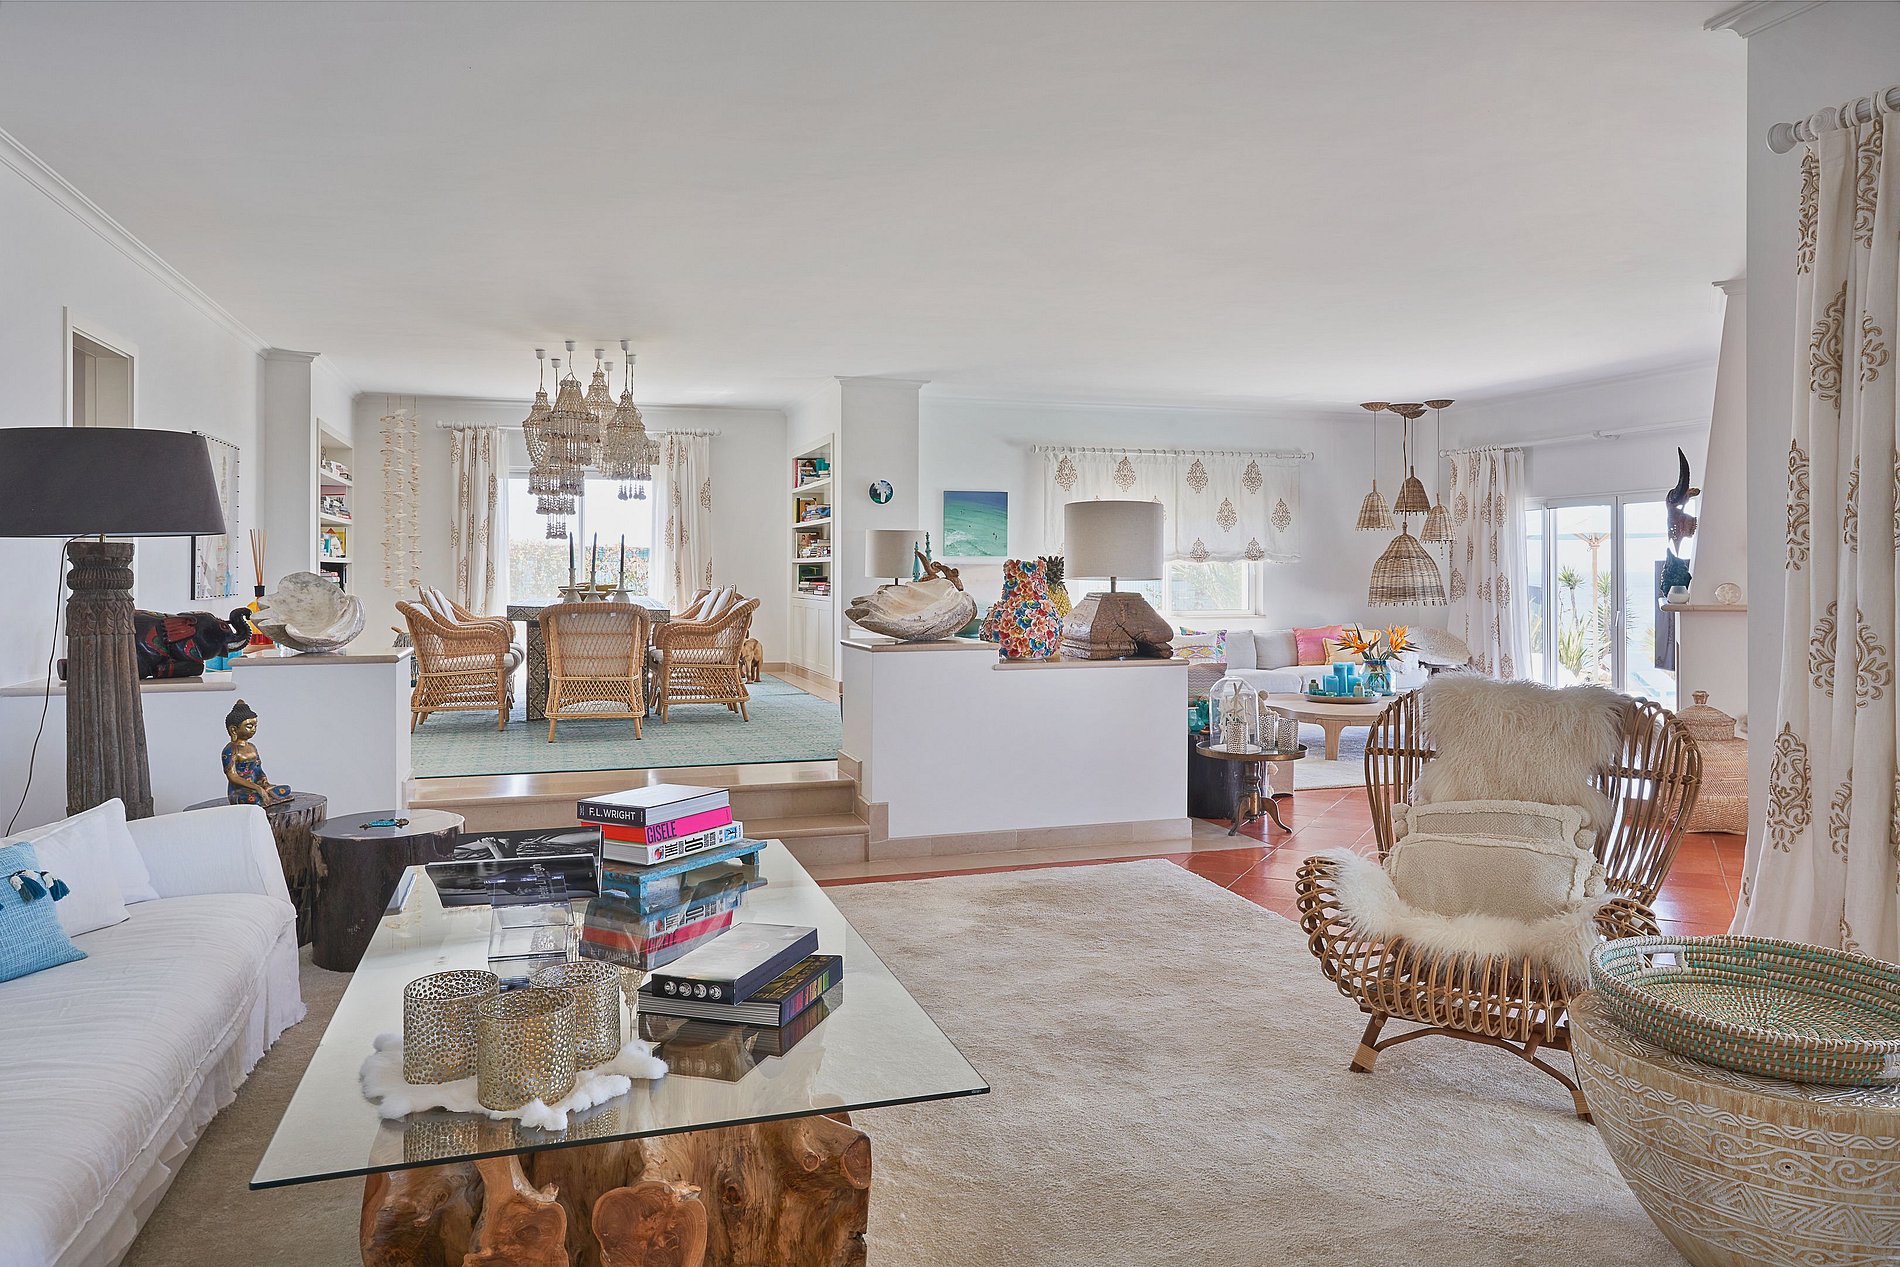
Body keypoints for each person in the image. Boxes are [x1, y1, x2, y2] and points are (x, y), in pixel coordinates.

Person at [222, 698, 292, 806]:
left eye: (255, 726)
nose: (253, 729)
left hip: (258, 787)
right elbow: (233, 776)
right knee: (255, 798)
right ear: (234, 730)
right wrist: (256, 788)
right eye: (249, 726)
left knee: (286, 789)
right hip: (240, 791)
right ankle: (266, 798)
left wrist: (264, 782)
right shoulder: (230, 750)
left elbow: (258, 769)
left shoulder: (252, 747)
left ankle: (267, 797)